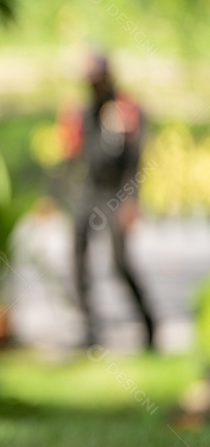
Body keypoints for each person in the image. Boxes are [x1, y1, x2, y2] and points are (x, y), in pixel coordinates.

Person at [61, 52, 155, 349]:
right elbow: (72, 155)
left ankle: (149, 323)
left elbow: (136, 159)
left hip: (117, 193)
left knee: (119, 262)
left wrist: (131, 201)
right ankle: (89, 326)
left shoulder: (126, 108)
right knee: (77, 256)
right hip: (89, 190)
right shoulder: (84, 110)